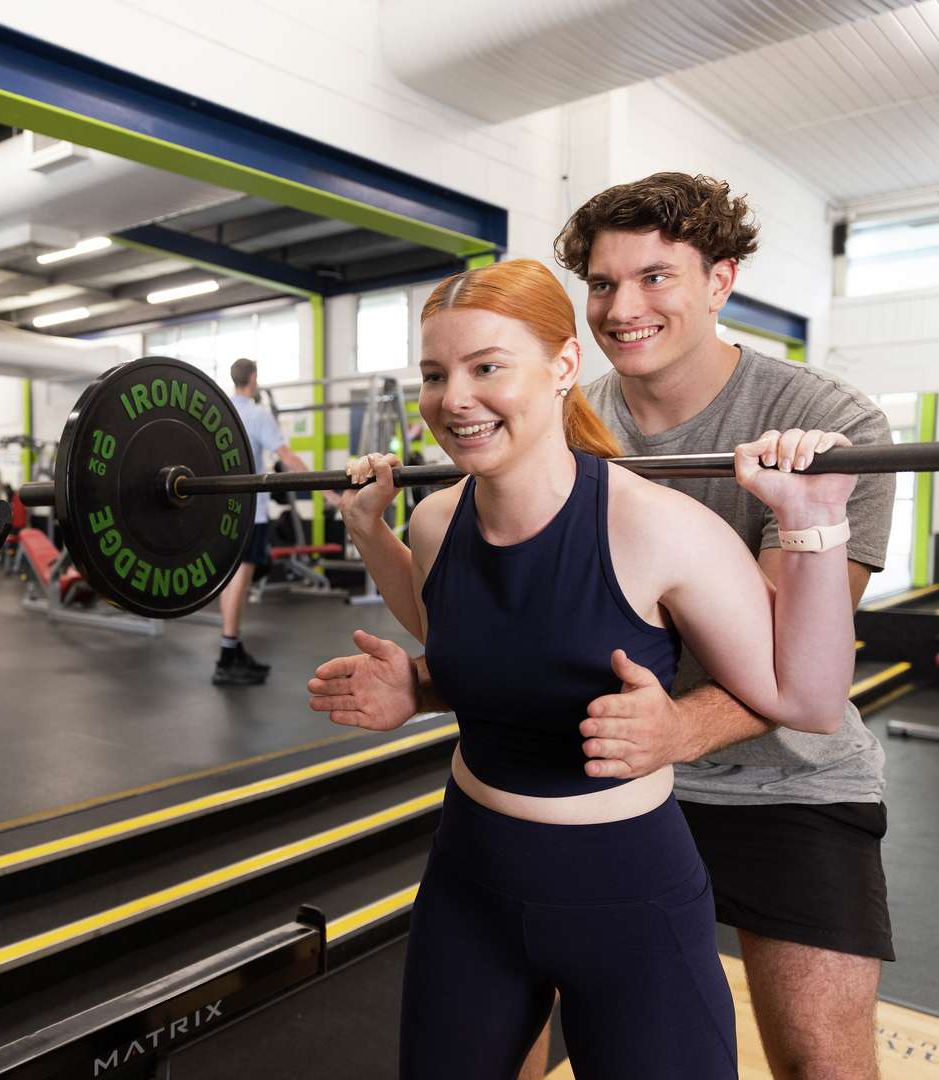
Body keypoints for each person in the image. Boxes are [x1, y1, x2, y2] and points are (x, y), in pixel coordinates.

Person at [312, 174, 897, 1080]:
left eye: (655, 277)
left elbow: (795, 679)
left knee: (821, 1062)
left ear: (719, 280)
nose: (624, 307)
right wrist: (417, 665)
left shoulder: (816, 426)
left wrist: (810, 520)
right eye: (602, 284)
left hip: (780, 787)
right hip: (519, 823)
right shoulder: (508, 462)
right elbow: (480, 624)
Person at [214, 357, 309, 686]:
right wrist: (325, 488)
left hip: (221, 511)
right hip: (251, 512)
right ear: (253, 378)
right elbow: (286, 456)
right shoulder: (257, 413)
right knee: (241, 577)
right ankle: (227, 656)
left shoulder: (220, 412)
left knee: (230, 579)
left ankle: (233, 647)